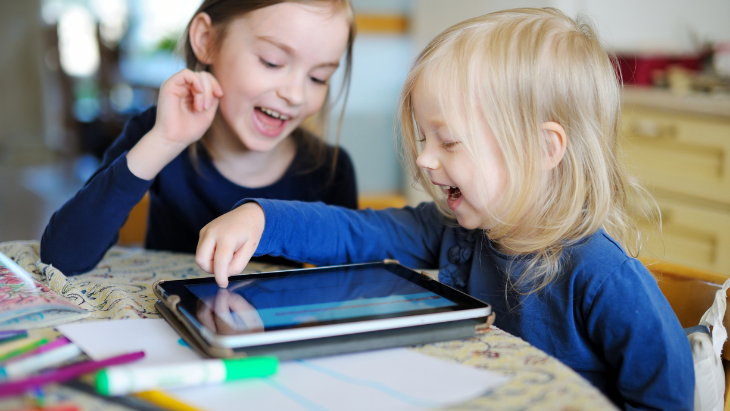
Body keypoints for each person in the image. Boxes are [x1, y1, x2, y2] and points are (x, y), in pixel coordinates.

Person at [194, 8, 694, 410]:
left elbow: (667, 397)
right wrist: (263, 219)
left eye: (449, 141)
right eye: (423, 137)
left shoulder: (605, 278)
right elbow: (356, 232)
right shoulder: (454, 229)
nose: (424, 159)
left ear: (544, 150)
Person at [41, 0, 359, 275]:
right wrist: (164, 141)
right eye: (271, 62)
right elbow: (62, 257)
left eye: (319, 78)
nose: (295, 94)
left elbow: (350, 288)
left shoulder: (332, 170)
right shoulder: (158, 131)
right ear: (207, 40)